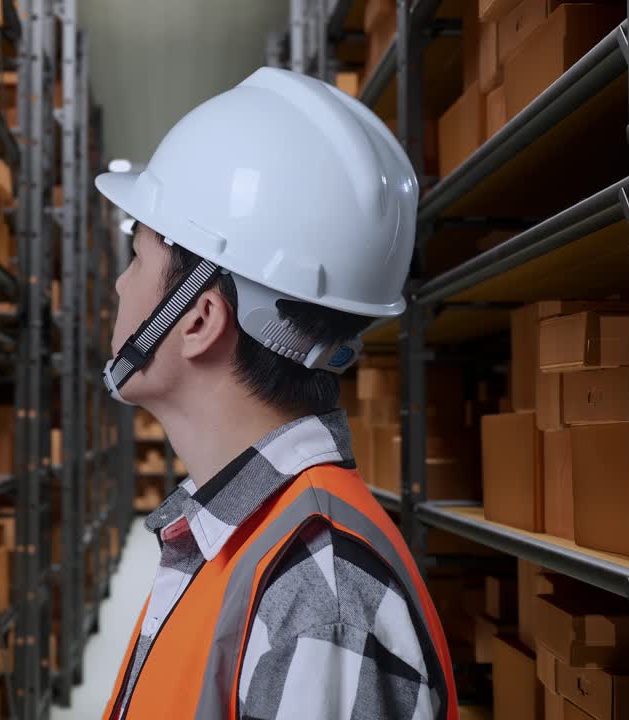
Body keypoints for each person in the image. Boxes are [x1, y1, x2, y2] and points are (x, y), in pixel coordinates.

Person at [95, 67, 458, 719]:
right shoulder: (239, 537)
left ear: (198, 318)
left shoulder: (319, 601)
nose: (120, 285)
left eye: (137, 257)